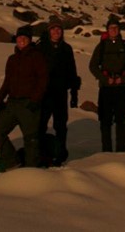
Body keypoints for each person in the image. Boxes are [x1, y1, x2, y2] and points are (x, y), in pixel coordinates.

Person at [0, 25, 48, 171]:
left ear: (29, 40)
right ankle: (13, 163)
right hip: (12, 103)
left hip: (28, 104)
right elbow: (7, 81)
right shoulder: (12, 59)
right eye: (19, 37)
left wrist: (35, 100)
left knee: (31, 139)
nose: (22, 40)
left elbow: (43, 80)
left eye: (25, 37)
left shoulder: (37, 56)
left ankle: (31, 170)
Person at [89, 22, 125, 152]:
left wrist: (123, 79)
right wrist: (105, 79)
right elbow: (93, 66)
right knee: (105, 120)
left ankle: (121, 149)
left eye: (116, 28)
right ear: (107, 30)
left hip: (121, 88)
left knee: (120, 119)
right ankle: (106, 150)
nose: (114, 30)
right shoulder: (101, 46)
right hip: (106, 87)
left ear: (119, 30)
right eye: (111, 28)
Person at [38, 22, 80, 166]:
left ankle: (60, 153)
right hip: (44, 93)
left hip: (61, 93)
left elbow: (72, 72)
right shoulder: (41, 47)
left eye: (59, 29)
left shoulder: (66, 49)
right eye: (53, 29)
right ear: (49, 32)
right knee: (41, 124)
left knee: (60, 125)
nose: (56, 31)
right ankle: (41, 153)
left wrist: (74, 94)